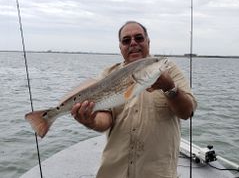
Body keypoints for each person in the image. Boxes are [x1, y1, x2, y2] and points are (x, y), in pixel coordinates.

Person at [71, 21, 197, 178]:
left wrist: (170, 88)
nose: (133, 43)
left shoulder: (168, 69)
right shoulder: (109, 74)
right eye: (126, 40)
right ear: (120, 47)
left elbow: (187, 112)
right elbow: (106, 119)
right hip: (113, 172)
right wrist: (89, 120)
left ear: (148, 42)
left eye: (139, 38)